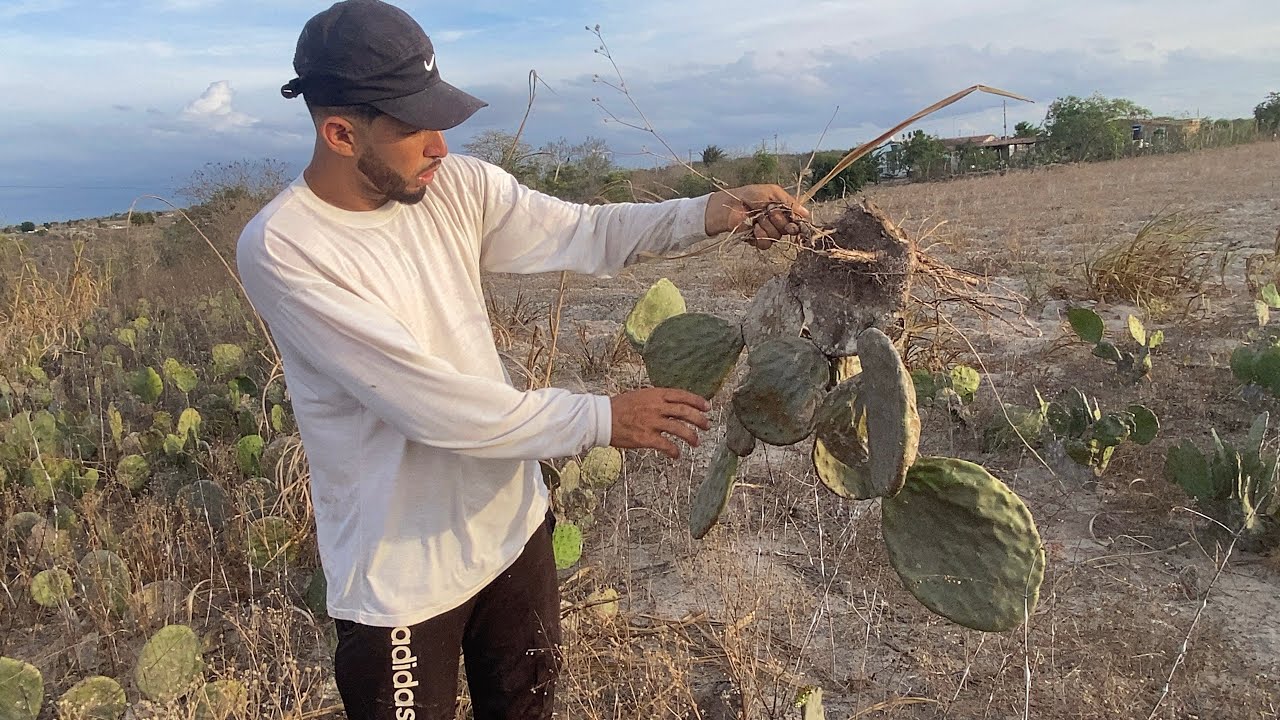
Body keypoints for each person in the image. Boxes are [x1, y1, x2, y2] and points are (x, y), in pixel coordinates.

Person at [236, 1, 809, 718]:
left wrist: (707, 211)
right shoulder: (286, 250)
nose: (441, 146)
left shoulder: (454, 187)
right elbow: (432, 408)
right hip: (401, 581)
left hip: (512, 533)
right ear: (342, 133)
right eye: (415, 126)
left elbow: (585, 231)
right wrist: (600, 419)